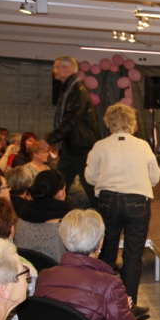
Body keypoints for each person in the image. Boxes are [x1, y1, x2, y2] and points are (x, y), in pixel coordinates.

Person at [85, 104, 160, 318]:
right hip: (137, 201)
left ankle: (104, 301)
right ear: (132, 123)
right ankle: (129, 307)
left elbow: (90, 177)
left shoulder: (100, 146)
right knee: (132, 255)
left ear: (108, 123)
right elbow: (154, 177)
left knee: (106, 251)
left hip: (108, 201)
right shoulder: (143, 146)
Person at [46, 56, 100, 208]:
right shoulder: (70, 89)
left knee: (91, 188)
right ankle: (51, 213)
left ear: (67, 69)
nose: (54, 71)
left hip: (81, 147)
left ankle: (105, 221)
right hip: (72, 146)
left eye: (56, 67)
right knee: (57, 184)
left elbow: (71, 119)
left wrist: (50, 139)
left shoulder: (77, 90)